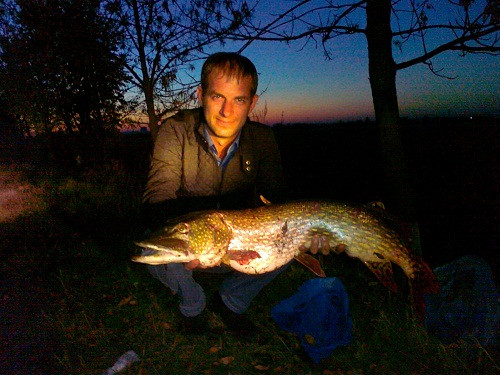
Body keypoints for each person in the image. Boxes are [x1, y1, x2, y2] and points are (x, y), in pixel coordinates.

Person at [141, 52, 329, 337]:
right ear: (201, 95)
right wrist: (197, 241)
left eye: (239, 100)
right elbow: (158, 196)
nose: (227, 111)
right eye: (218, 97)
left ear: (251, 103)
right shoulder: (176, 131)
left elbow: (277, 201)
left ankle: (230, 302)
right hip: (196, 242)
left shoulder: (262, 139)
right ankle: (193, 305)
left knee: (289, 241)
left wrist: (310, 235)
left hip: (243, 246)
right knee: (150, 248)